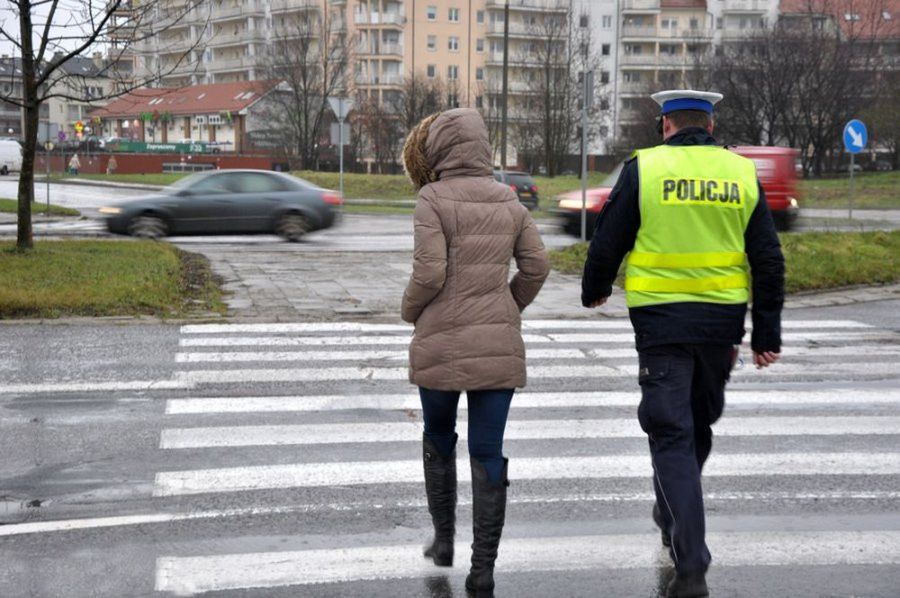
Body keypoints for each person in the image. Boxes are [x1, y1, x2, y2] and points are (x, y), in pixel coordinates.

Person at [581, 90, 785, 598]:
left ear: (665, 125)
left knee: (674, 435)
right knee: (692, 428)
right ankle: (685, 539)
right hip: (721, 329)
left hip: (662, 325)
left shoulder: (645, 168)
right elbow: (768, 258)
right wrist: (765, 334)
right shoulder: (740, 173)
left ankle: (688, 558)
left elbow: (609, 238)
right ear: (710, 126)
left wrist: (595, 289)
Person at [400, 108, 550, 598]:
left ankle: (443, 543)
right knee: (488, 452)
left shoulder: (431, 199)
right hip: (496, 346)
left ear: (437, 150)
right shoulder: (510, 203)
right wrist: (508, 304)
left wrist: (410, 311)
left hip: (440, 342)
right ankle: (481, 570)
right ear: (483, 147)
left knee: (439, 436)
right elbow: (537, 267)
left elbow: (429, 275)